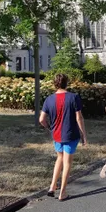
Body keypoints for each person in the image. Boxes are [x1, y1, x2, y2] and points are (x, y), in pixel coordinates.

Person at [39, 73, 87, 201]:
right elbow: (79, 118)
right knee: (67, 163)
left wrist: (49, 127)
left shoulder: (49, 99)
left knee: (59, 158)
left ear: (55, 83)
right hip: (71, 134)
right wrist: (84, 135)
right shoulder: (74, 97)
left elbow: (41, 119)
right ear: (67, 83)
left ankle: (52, 187)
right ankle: (63, 192)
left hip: (56, 135)